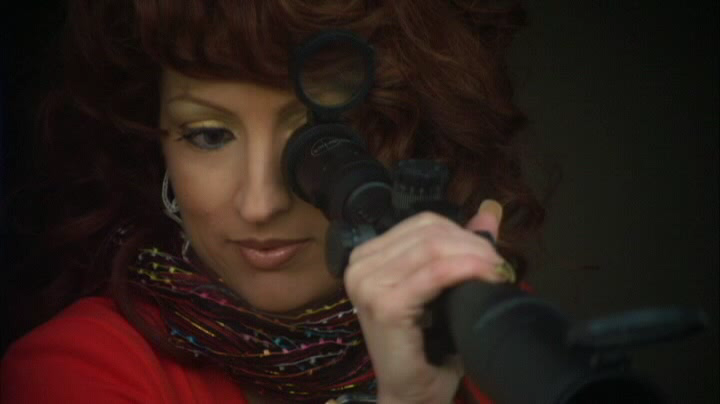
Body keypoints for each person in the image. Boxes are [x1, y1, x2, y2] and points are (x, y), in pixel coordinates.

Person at [1, 0, 543, 403]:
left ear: (409, 135)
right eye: (209, 135)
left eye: (319, 143)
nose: (260, 205)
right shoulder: (75, 367)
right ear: (156, 145)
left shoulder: (491, 325)